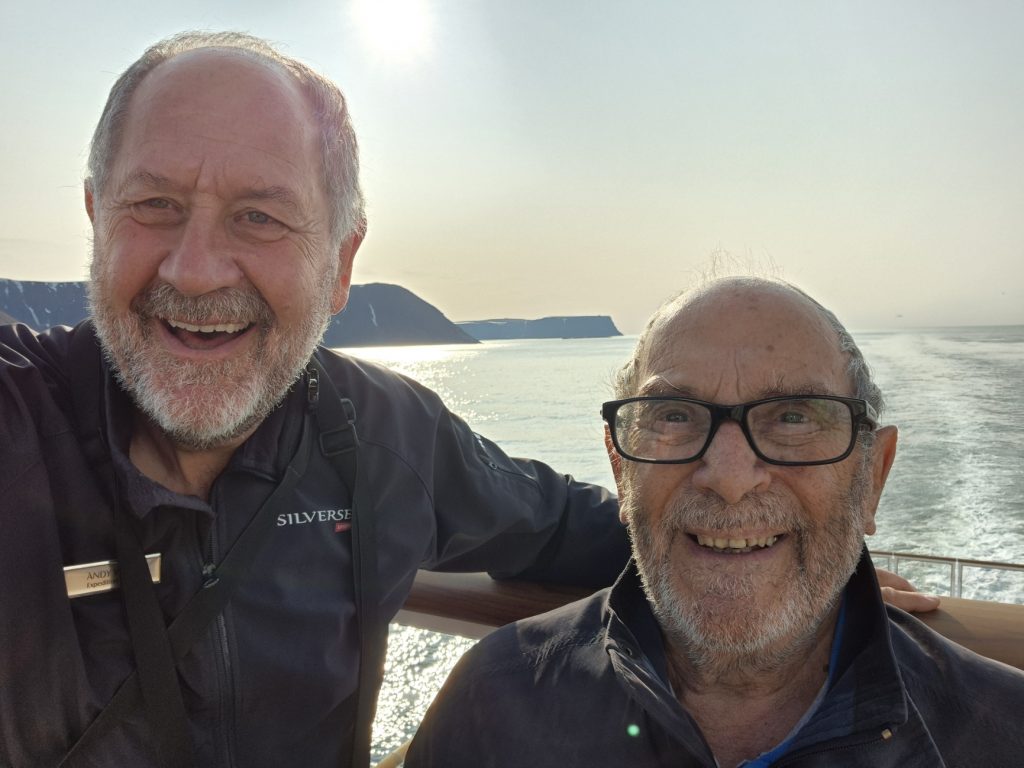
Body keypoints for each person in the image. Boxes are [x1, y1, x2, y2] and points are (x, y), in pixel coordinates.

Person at [0, 32, 928, 768]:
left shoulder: (378, 438)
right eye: (154, 205)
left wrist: (786, 571)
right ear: (95, 220)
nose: (197, 269)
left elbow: (569, 527)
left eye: (259, 217)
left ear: (340, 265)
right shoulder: (21, 416)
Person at [405, 277, 1024, 768]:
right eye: (674, 415)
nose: (729, 477)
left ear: (873, 477)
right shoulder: (492, 700)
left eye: (794, 417)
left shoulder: (1001, 734)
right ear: (621, 469)